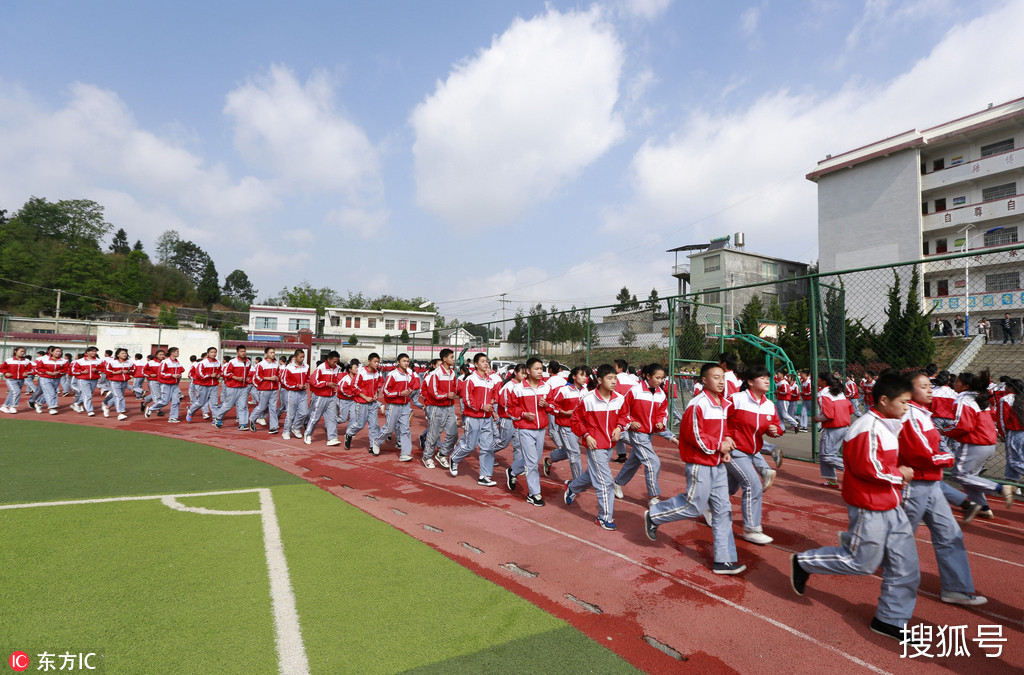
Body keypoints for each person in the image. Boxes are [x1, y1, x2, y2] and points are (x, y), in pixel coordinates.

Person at [790, 372, 919, 640]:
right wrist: (900, 475)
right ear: (884, 400)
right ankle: (804, 562)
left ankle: (890, 620)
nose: (908, 407)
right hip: (868, 505)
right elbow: (866, 468)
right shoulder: (867, 427)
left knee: (905, 564)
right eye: (904, 402)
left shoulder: (889, 422)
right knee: (861, 564)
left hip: (891, 504)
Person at [642, 362, 746, 575]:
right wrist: (719, 445)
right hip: (700, 463)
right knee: (694, 506)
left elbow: (724, 430)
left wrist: (725, 443)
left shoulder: (723, 404)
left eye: (723, 378)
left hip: (716, 463)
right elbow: (693, 436)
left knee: (723, 510)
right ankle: (654, 515)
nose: (720, 382)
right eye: (715, 378)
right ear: (704, 381)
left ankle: (723, 560)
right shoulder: (698, 404)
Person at [899, 372, 987, 606]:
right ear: (908, 391)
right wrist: (946, 459)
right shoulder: (908, 414)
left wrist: (942, 455)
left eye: (930, 385)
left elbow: (937, 446)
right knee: (899, 535)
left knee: (949, 534)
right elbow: (920, 453)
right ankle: (855, 547)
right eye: (924, 386)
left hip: (932, 482)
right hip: (915, 483)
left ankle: (956, 588)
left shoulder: (923, 414)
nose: (930, 390)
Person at [564, 363, 629, 529]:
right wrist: (586, 435)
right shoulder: (588, 399)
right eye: (610, 378)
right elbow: (575, 420)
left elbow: (625, 416)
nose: (614, 381)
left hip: (609, 445)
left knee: (591, 475)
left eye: (615, 378)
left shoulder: (620, 399)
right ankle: (604, 517)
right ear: (599, 380)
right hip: (595, 445)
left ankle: (572, 487)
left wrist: (619, 427)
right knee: (605, 481)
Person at [943, 371, 1015, 518]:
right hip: (986, 443)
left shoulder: (964, 400)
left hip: (974, 443)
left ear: (965, 386)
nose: (954, 383)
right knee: (970, 477)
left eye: (957, 381)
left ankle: (1001, 488)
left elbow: (963, 426)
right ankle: (983, 507)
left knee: (959, 475)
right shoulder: (979, 398)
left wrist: (944, 431)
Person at [725, 365, 784, 545]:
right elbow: (720, 418)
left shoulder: (769, 405)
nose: (767, 380)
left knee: (729, 488)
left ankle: (705, 501)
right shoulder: (736, 399)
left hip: (752, 452)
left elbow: (778, 428)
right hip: (735, 451)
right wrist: (726, 436)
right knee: (753, 486)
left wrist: (775, 431)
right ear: (750, 382)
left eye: (768, 377)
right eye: (762, 378)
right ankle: (752, 529)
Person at [611, 363, 670, 507]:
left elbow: (663, 412)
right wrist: (630, 422)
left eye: (662, 378)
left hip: (649, 433)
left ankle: (616, 483)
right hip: (637, 433)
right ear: (647, 376)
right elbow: (623, 410)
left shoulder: (660, 394)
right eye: (657, 377)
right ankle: (653, 496)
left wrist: (660, 422)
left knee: (634, 461)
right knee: (653, 462)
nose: (660, 381)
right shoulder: (635, 391)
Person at [506, 357, 552, 506]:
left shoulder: (546, 387)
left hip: (540, 429)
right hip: (525, 428)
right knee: (532, 462)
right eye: (536, 369)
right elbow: (510, 409)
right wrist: (523, 414)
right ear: (528, 371)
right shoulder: (518, 388)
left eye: (541, 369)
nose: (540, 372)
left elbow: (552, 406)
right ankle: (534, 494)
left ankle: (513, 470)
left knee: (534, 459)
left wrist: (546, 404)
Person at [447, 353, 497, 483]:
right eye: (482, 361)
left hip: (486, 418)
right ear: (475, 364)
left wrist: (491, 409)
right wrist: (482, 407)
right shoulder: (471, 379)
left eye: (487, 361)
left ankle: (484, 476)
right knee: (470, 445)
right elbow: (467, 399)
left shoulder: (490, 381)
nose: (486, 363)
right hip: (473, 417)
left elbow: (492, 398)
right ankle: (454, 458)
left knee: (487, 447)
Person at [544, 365, 590, 480]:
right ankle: (577, 482)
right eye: (582, 375)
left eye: (586, 376)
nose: (585, 378)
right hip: (566, 427)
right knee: (574, 453)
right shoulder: (564, 390)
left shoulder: (585, 390)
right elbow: (552, 406)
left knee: (567, 451)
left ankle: (549, 461)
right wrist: (564, 412)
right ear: (574, 376)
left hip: (578, 427)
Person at [816, 372, 855, 489]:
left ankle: (853, 469)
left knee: (826, 456)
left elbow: (828, 415)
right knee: (828, 455)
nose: (816, 380)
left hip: (833, 427)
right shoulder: (839, 392)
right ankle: (832, 481)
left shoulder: (823, 393)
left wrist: (817, 418)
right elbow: (850, 409)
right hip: (843, 426)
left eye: (818, 378)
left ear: (824, 381)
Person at [373, 353, 415, 460]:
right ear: (398, 362)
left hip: (405, 405)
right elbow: (386, 391)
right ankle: (377, 441)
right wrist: (400, 393)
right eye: (404, 361)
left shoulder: (409, 374)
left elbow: (412, 386)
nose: (406, 363)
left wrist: (410, 390)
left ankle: (405, 453)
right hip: (393, 405)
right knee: (389, 428)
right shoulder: (393, 374)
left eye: (407, 361)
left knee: (405, 429)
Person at [422, 349, 458, 469]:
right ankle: (427, 457)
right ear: (444, 359)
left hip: (450, 407)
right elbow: (433, 393)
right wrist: (446, 395)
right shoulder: (435, 373)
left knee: (453, 433)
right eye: (452, 357)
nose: (454, 359)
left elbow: (454, 388)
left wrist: (453, 393)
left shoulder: (452, 373)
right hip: (437, 408)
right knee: (434, 434)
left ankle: (442, 453)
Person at [345, 354, 384, 450]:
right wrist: (365, 397)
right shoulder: (361, 373)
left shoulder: (377, 373)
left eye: (378, 362)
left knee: (374, 425)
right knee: (360, 424)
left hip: (372, 403)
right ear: (369, 362)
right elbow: (354, 387)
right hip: (361, 402)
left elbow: (377, 386)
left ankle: (372, 446)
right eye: (375, 362)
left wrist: (375, 395)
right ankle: (349, 433)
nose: (376, 364)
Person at [304, 351, 342, 445]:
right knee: (315, 417)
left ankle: (332, 438)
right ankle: (308, 434)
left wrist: (336, 386)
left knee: (332, 417)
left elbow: (338, 379)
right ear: (328, 360)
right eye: (334, 361)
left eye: (337, 361)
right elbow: (313, 382)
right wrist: (326, 384)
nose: (335, 363)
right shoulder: (321, 368)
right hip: (320, 396)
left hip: (332, 396)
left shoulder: (337, 368)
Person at [212, 346, 251, 430]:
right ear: (237, 352)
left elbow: (248, 372)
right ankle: (218, 417)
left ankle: (242, 424)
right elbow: (226, 373)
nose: (243, 353)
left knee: (242, 406)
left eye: (244, 351)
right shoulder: (233, 362)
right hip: (232, 387)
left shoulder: (248, 362)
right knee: (228, 405)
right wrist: (235, 377)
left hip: (243, 387)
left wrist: (247, 378)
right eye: (241, 351)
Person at [147, 347, 184, 423]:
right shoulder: (165, 362)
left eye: (178, 351)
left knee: (176, 401)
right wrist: (171, 375)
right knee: (165, 401)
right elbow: (161, 373)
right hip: (165, 384)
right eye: (177, 352)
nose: (178, 353)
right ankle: (151, 409)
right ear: (172, 353)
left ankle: (173, 417)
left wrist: (179, 375)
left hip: (175, 384)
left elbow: (181, 370)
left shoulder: (177, 362)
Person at [611, 360, 638, 462]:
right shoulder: (633, 380)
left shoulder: (616, 379)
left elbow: (613, 394)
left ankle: (638, 445)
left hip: (621, 408)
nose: (613, 368)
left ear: (620, 369)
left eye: (615, 366)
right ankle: (622, 455)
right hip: (633, 408)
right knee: (621, 430)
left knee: (620, 432)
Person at [997, 378, 1024, 482]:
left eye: (1006, 387)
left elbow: (1002, 418)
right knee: (1015, 458)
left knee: (1013, 460)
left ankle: (1013, 482)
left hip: (1014, 432)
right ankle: (1013, 483)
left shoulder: (1006, 399)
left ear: (1011, 388)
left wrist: (1003, 434)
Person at [250, 347, 282, 434]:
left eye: (274, 352)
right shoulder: (261, 364)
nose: (273, 354)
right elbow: (257, 377)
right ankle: (252, 419)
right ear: (266, 354)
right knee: (262, 407)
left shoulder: (276, 364)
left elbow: (278, 375)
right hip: (264, 389)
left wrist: (276, 378)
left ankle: (273, 427)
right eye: (271, 353)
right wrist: (269, 378)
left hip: (274, 389)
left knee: (273, 408)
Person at [280, 350, 310, 440]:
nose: (302, 358)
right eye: (301, 357)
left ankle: (296, 427)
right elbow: (285, 381)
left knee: (304, 412)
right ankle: (286, 431)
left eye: (303, 357)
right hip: (292, 393)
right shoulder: (289, 367)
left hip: (302, 393)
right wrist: (296, 385)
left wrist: (306, 384)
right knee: (290, 414)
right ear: (296, 357)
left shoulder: (306, 367)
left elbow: (308, 378)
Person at [185, 348, 221, 423]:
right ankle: (190, 411)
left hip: (214, 385)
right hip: (203, 385)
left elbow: (220, 371)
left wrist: (219, 375)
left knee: (214, 403)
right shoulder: (202, 363)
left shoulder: (218, 362)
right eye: (212, 352)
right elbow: (199, 374)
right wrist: (210, 375)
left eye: (215, 352)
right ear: (208, 353)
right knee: (201, 402)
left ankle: (216, 419)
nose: (214, 354)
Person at [34, 346, 70, 415]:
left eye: (60, 351)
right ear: (52, 352)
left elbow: (66, 369)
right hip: (45, 378)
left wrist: (59, 372)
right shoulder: (44, 360)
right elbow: (38, 368)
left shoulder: (64, 361)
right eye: (57, 351)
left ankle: (39, 403)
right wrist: (47, 372)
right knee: (51, 393)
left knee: (49, 392)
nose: (58, 353)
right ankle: (52, 408)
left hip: (56, 378)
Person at [101, 348, 133, 420]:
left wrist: (128, 371)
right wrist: (115, 372)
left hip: (124, 381)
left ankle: (107, 407)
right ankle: (120, 413)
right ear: (118, 355)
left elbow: (133, 370)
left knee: (118, 397)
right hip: (114, 382)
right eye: (122, 353)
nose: (124, 354)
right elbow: (106, 371)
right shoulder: (112, 362)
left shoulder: (129, 362)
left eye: (125, 353)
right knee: (119, 397)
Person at [1, 347, 34, 414]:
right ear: (15, 351)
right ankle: (13, 406)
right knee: (16, 392)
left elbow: (31, 369)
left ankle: (4, 406)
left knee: (12, 393)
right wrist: (6, 373)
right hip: (11, 379)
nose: (22, 353)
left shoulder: (26, 361)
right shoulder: (9, 360)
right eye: (21, 351)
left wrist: (26, 372)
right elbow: (1, 368)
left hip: (21, 380)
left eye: (23, 351)